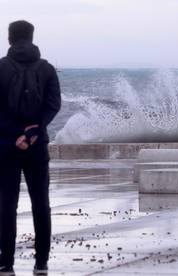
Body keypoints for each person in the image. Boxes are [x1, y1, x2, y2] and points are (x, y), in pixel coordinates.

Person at [0, 20, 61, 276]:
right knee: (40, 203)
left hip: (5, 145)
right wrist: (34, 131)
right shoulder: (47, 69)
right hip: (37, 145)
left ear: (10, 39)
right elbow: (54, 104)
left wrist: (14, 134)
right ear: (32, 37)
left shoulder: (0, 67)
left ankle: (6, 262)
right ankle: (41, 261)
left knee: (6, 204)